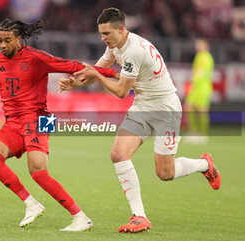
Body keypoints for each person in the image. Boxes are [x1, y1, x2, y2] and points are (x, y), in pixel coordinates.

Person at [0, 18, 119, 231]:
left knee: (38, 172)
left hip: (41, 118)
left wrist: (115, 74)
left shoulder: (36, 57)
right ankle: (31, 204)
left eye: (7, 40)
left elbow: (75, 66)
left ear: (19, 39)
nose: (2, 45)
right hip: (13, 121)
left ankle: (80, 217)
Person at [59, 8, 221, 233]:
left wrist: (97, 76)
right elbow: (97, 70)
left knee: (165, 173)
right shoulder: (115, 46)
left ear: (121, 29)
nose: (102, 38)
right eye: (101, 34)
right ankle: (139, 216)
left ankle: (205, 164)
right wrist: (75, 83)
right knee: (118, 154)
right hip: (143, 107)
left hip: (165, 109)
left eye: (106, 33)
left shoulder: (134, 50)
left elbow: (121, 92)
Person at [184, 38, 214, 144]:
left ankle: (203, 135)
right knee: (188, 107)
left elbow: (203, 73)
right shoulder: (198, 56)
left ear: (206, 45)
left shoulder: (207, 57)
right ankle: (193, 132)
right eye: (197, 44)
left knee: (202, 110)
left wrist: (195, 81)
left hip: (202, 88)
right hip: (195, 87)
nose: (198, 46)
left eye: (200, 44)